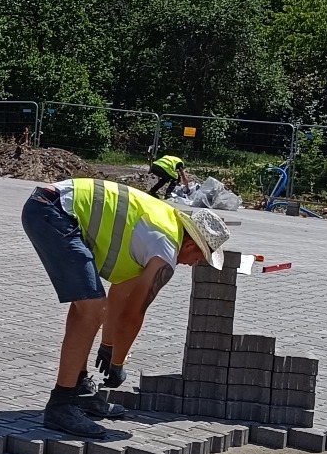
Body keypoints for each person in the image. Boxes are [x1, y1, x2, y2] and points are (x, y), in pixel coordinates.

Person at [22, 177, 232, 438]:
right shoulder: (165, 251)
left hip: (50, 205)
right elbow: (134, 314)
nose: (194, 264)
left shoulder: (163, 225)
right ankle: (61, 405)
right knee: (91, 308)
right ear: (191, 245)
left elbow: (119, 294)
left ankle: (78, 388)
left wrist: (109, 347)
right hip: (53, 212)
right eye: (200, 257)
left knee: (87, 304)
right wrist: (119, 363)